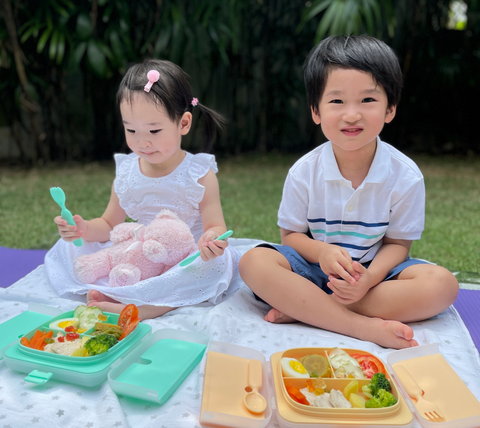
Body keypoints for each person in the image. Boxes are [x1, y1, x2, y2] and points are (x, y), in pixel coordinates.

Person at [239, 35, 459, 349]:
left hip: (375, 279)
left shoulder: (405, 175)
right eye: (337, 101)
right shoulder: (305, 171)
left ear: (390, 108)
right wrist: (323, 253)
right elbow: (290, 237)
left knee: (443, 285)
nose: (352, 114)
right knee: (252, 262)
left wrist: (368, 279)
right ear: (316, 111)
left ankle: (307, 308)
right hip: (314, 272)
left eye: (368, 100)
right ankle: (357, 326)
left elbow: (398, 244)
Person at [45, 60, 240, 319]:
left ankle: (143, 306)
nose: (142, 141)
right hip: (139, 254)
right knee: (67, 248)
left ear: (183, 123)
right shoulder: (127, 172)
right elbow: (108, 224)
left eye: (155, 130)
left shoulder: (198, 174)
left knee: (218, 264)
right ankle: (126, 291)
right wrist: (83, 229)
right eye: (131, 129)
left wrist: (211, 240)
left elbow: (215, 226)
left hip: (182, 258)